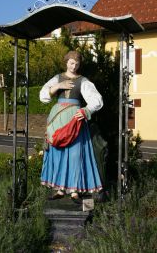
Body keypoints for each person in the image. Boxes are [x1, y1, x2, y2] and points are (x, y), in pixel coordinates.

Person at [39, 50, 103, 202]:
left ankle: (74, 190)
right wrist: (58, 86)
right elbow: (43, 95)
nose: (74, 66)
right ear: (66, 62)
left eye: (77, 64)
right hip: (58, 118)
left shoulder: (82, 81)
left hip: (75, 120)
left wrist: (87, 110)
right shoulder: (57, 78)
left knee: (75, 154)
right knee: (58, 153)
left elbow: (97, 99)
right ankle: (60, 189)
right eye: (71, 63)